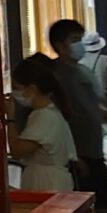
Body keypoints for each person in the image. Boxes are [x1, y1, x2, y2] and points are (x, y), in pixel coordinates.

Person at [44, 19, 107, 213]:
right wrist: (72, 155)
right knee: (88, 212)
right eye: (75, 39)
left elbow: (93, 107)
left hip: (93, 150)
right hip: (78, 154)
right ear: (60, 45)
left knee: (101, 209)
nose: (80, 44)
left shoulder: (83, 71)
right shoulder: (55, 76)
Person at [9, 57, 78, 195]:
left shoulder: (45, 116)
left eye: (17, 88)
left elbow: (18, 150)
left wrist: (10, 117)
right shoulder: (46, 113)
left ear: (32, 89)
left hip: (47, 182)